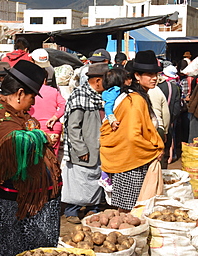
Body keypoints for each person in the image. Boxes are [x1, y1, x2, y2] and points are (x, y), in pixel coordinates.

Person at [0, 60, 62, 256]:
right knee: (10, 254)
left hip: (38, 199)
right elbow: (13, 141)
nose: (32, 104)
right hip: (10, 201)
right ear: (20, 93)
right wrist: (40, 136)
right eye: (32, 97)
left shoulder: (16, 113)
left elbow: (27, 128)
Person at [100, 50, 164, 212]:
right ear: (137, 76)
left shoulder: (136, 96)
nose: (154, 78)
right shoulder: (135, 100)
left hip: (130, 159)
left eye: (155, 74)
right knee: (132, 211)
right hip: (132, 161)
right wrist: (153, 149)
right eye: (149, 74)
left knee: (129, 211)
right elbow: (132, 135)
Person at [61, 63, 109, 224]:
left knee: (96, 179)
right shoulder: (80, 96)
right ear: (97, 81)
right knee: (78, 181)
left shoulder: (103, 97)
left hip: (99, 148)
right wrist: (81, 149)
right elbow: (73, 127)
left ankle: (93, 208)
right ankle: (72, 210)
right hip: (83, 150)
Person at [28, 70, 66, 156]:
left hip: (33, 128)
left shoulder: (28, 92)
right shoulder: (53, 91)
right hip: (52, 127)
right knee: (52, 157)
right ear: (45, 79)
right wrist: (55, 117)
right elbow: (66, 105)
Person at [158, 65, 181, 166]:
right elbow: (177, 107)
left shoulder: (154, 87)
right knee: (170, 137)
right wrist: (172, 118)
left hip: (156, 121)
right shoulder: (174, 87)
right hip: (170, 119)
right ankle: (171, 155)